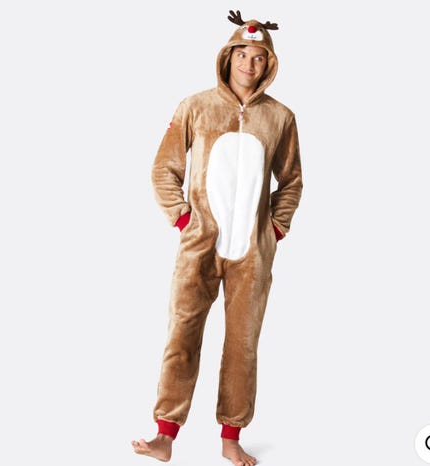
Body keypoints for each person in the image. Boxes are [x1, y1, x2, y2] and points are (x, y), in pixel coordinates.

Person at [132, 10, 303, 466]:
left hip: (252, 254)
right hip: (199, 247)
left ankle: (231, 437)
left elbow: (291, 181)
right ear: (228, 56)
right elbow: (164, 169)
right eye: (242, 54)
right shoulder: (195, 106)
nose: (250, 64)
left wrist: (275, 229)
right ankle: (165, 434)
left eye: (259, 57)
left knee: (242, 345)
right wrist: (184, 219)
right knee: (182, 336)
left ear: (269, 64)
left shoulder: (281, 118)